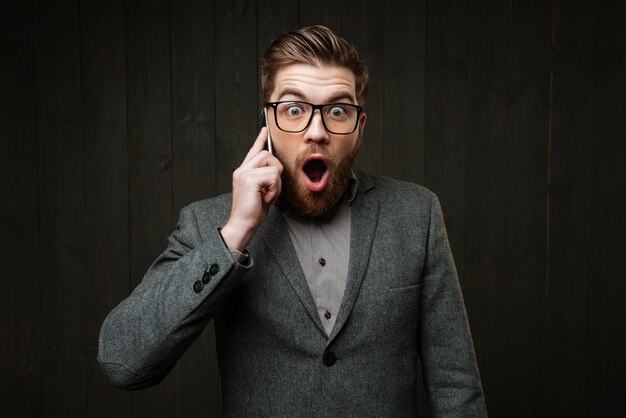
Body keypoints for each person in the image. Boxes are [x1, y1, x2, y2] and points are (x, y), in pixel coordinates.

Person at [98, 25, 487, 417]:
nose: (316, 132)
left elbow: (457, 387)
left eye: (337, 111)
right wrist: (234, 235)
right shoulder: (209, 224)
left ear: (359, 128)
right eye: (294, 110)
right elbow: (122, 361)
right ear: (267, 124)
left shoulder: (416, 214)